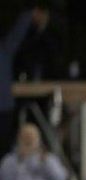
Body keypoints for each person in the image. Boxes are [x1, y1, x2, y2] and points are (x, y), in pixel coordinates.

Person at [0, 123, 68, 180]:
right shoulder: (11, 160)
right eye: (25, 137)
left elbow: (61, 179)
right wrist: (19, 161)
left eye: (31, 137)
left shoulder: (47, 158)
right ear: (19, 138)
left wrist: (46, 163)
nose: (28, 140)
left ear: (38, 139)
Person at [0, 10, 32, 156]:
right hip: (5, 108)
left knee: (6, 149)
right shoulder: (4, 51)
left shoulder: (4, 52)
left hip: (5, 109)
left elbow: (16, 35)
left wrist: (29, 13)